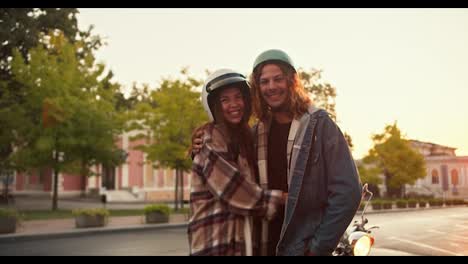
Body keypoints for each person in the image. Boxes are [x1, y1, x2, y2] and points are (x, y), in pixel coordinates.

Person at [192, 49, 362, 256]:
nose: (271, 87)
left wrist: (318, 248)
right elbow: (238, 185)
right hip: (264, 245)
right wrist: (204, 134)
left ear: (292, 81)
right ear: (257, 88)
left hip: (302, 247)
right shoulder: (256, 134)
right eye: (264, 81)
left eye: (278, 79)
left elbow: (348, 192)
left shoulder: (319, 126)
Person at [188, 69, 286, 256]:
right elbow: (238, 193)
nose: (234, 105)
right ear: (214, 106)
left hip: (240, 243)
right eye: (225, 100)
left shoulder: (245, 138)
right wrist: (285, 198)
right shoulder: (209, 140)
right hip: (216, 245)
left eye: (238, 97)